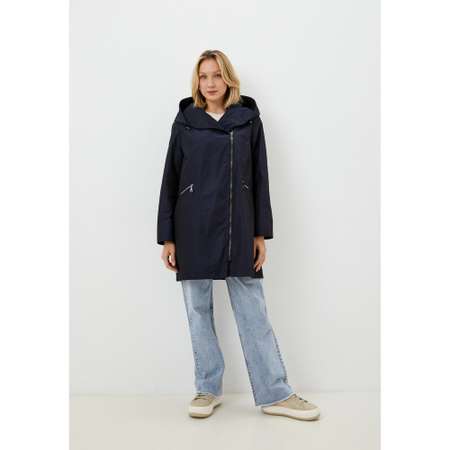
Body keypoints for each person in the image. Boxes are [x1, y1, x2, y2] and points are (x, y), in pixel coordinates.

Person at [157, 49, 320, 421]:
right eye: (203, 76)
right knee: (198, 310)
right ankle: (207, 388)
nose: (210, 83)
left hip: (239, 227)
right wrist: (168, 237)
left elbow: (261, 177)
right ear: (197, 82)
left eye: (217, 75)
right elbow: (170, 177)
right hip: (192, 226)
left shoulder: (248, 120)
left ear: (228, 78)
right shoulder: (185, 122)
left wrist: (260, 232)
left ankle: (275, 393)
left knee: (253, 311)